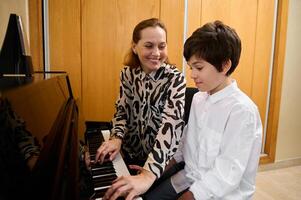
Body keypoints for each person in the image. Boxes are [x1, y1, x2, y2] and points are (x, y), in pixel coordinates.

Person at [143, 20, 263, 200]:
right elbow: (184, 145)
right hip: (188, 178)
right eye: (191, 67)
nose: (192, 74)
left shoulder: (242, 112)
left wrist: (190, 196)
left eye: (199, 67)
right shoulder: (199, 98)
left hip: (222, 194)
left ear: (224, 65)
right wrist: (153, 170)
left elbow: (226, 175)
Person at [94, 18, 186, 199]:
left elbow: (171, 125)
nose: (156, 53)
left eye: (162, 46)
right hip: (131, 154)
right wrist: (117, 137)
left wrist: (148, 172)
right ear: (135, 47)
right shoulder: (127, 74)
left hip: (159, 160)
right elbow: (121, 111)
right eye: (149, 46)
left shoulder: (175, 79)